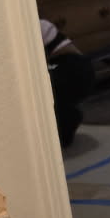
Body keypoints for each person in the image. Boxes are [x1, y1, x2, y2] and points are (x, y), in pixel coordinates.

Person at [40, 19, 95, 148]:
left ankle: (69, 118)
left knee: (44, 88)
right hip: (83, 69)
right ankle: (68, 117)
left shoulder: (33, 25)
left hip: (74, 71)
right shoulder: (42, 24)